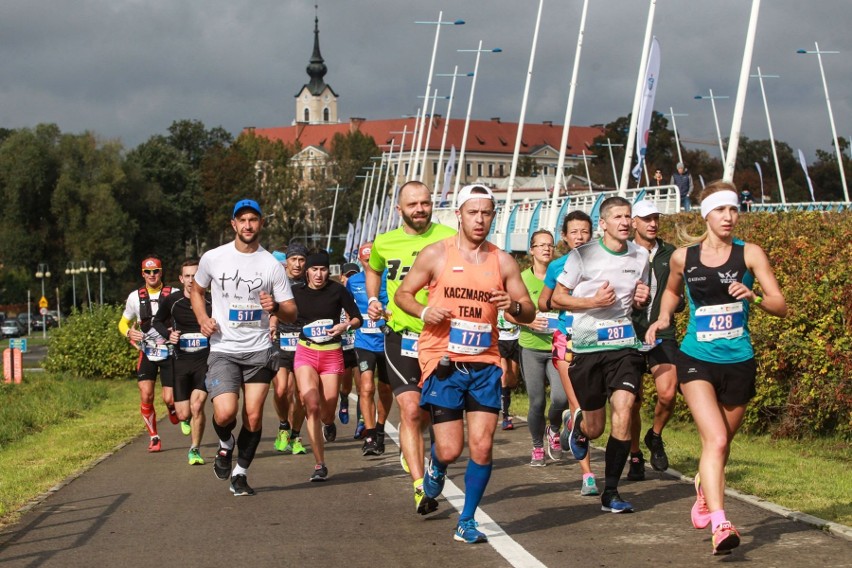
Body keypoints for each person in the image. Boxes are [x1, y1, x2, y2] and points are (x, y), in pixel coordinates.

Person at [645, 181, 786, 555]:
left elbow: (780, 304)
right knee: (717, 440)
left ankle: (703, 489)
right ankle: (721, 524)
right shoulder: (683, 258)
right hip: (695, 359)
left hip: (739, 361)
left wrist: (755, 296)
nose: (729, 217)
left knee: (721, 446)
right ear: (706, 213)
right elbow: (672, 291)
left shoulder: (750, 254)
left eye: (734, 210)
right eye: (721, 210)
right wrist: (662, 317)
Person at [395, 184, 535, 544]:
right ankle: (436, 466)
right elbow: (402, 295)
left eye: (486, 213)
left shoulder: (502, 260)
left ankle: (467, 520)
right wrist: (426, 311)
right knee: (450, 449)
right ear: (459, 214)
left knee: (483, 445)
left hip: (485, 361)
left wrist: (513, 306)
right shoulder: (435, 254)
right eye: (473, 212)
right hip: (443, 359)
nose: (480, 219)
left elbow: (528, 309)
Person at [191, 199, 296, 496]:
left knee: (252, 416)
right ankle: (226, 445)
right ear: (233, 224)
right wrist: (202, 318)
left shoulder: (271, 265)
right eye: (243, 220)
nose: (248, 225)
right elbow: (197, 291)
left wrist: (274, 306)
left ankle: (241, 473)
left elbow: (290, 310)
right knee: (225, 414)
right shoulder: (213, 258)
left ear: (261, 223)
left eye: (253, 219)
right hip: (223, 348)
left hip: (259, 350)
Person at [552, 196, 651, 514]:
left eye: (628, 216)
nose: (625, 221)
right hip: (587, 348)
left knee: (624, 408)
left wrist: (641, 299)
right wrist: (592, 301)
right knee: (595, 428)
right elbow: (557, 298)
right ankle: (577, 426)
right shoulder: (582, 256)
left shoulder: (641, 255)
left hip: (624, 347)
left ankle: (611, 490)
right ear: (604, 224)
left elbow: (638, 301)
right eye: (618, 216)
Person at [364, 180, 456, 516]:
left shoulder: (449, 236)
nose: (420, 209)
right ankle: (420, 487)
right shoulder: (385, 242)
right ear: (398, 208)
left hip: (442, 337)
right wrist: (374, 299)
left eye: (425, 203)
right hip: (400, 334)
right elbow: (372, 269)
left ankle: (414, 442)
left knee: (433, 415)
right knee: (412, 410)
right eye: (413, 204)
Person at [540, 211, 599, 496]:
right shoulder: (557, 266)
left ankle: (569, 423)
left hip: (599, 339)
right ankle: (587, 475)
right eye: (574, 232)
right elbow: (543, 302)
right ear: (564, 236)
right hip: (568, 338)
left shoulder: (603, 261)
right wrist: (569, 303)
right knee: (578, 407)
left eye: (585, 232)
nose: (580, 237)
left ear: (593, 233)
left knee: (595, 413)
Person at [292, 250, 361, 481]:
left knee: (326, 412)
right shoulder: (296, 292)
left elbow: (357, 317)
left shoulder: (337, 290)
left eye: (323, 269)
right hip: (306, 353)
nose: (319, 274)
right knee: (310, 404)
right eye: (314, 269)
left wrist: (345, 327)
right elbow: (283, 312)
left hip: (332, 354)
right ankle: (319, 464)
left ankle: (329, 423)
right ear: (307, 271)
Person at [627, 200, 682, 480]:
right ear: (633, 222)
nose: (653, 223)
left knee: (668, 392)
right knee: (633, 402)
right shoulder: (622, 252)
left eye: (656, 218)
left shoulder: (671, 253)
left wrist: (677, 302)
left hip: (663, 333)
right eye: (646, 218)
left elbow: (678, 292)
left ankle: (655, 435)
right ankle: (635, 454)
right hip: (630, 334)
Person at [513, 229, 568, 467]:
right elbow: (508, 314)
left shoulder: (561, 275)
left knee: (560, 398)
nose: (546, 249)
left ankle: (553, 428)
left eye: (550, 245)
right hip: (531, 348)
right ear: (532, 250)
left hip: (557, 347)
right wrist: (528, 320)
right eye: (541, 245)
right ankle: (537, 447)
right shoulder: (522, 279)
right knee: (536, 402)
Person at [118, 256, 180, 452]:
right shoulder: (135, 297)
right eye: (148, 272)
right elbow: (123, 322)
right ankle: (154, 436)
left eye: (156, 271)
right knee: (146, 394)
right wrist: (128, 332)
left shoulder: (174, 293)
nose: (152, 275)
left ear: (161, 272)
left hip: (169, 351)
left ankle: (172, 408)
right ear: (142, 273)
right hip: (147, 351)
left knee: (169, 398)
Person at [152, 259, 210, 465]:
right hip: (181, 362)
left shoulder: (210, 301)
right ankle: (182, 417)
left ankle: (194, 449)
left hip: (204, 362)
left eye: (195, 275)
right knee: (184, 412)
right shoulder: (172, 301)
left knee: (197, 406)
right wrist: (168, 335)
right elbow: (156, 321)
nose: (191, 280)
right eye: (187, 276)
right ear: (181, 279)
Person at [346, 243, 394, 455]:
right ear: (360, 260)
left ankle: (381, 428)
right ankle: (371, 434)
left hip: (387, 341)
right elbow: (348, 309)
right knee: (366, 387)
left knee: (385, 389)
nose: (369, 265)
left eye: (372, 260)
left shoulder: (390, 280)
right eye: (365, 261)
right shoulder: (353, 282)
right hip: (363, 342)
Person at [270, 244, 309, 456]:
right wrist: (272, 323)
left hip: (303, 341)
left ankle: (295, 435)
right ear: (287, 261)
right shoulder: (278, 281)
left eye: (301, 260)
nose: (297, 264)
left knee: (301, 394)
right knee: (281, 389)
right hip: (280, 339)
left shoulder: (310, 282)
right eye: (293, 259)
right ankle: (283, 426)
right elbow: (271, 307)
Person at [337, 262, 361, 427]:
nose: (351, 279)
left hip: (360, 346)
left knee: (363, 388)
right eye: (348, 276)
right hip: (342, 348)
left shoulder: (362, 295)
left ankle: (362, 422)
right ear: (341, 277)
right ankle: (344, 399)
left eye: (354, 275)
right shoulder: (336, 296)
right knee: (346, 386)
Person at [496, 309, 520, 431]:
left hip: (516, 337)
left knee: (513, 379)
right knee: (504, 374)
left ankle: (506, 394)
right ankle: (506, 417)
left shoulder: (515, 294)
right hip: (500, 338)